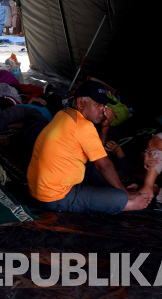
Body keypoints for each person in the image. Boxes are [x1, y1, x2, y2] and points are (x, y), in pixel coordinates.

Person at [26, 81, 152, 213]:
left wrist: (105, 126)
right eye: (97, 105)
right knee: (119, 197)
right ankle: (125, 203)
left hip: (39, 189)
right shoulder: (83, 126)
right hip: (54, 198)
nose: (103, 110)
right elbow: (104, 165)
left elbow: (98, 151)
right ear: (80, 103)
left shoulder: (64, 114)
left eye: (104, 105)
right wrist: (125, 195)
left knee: (94, 166)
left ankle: (116, 193)